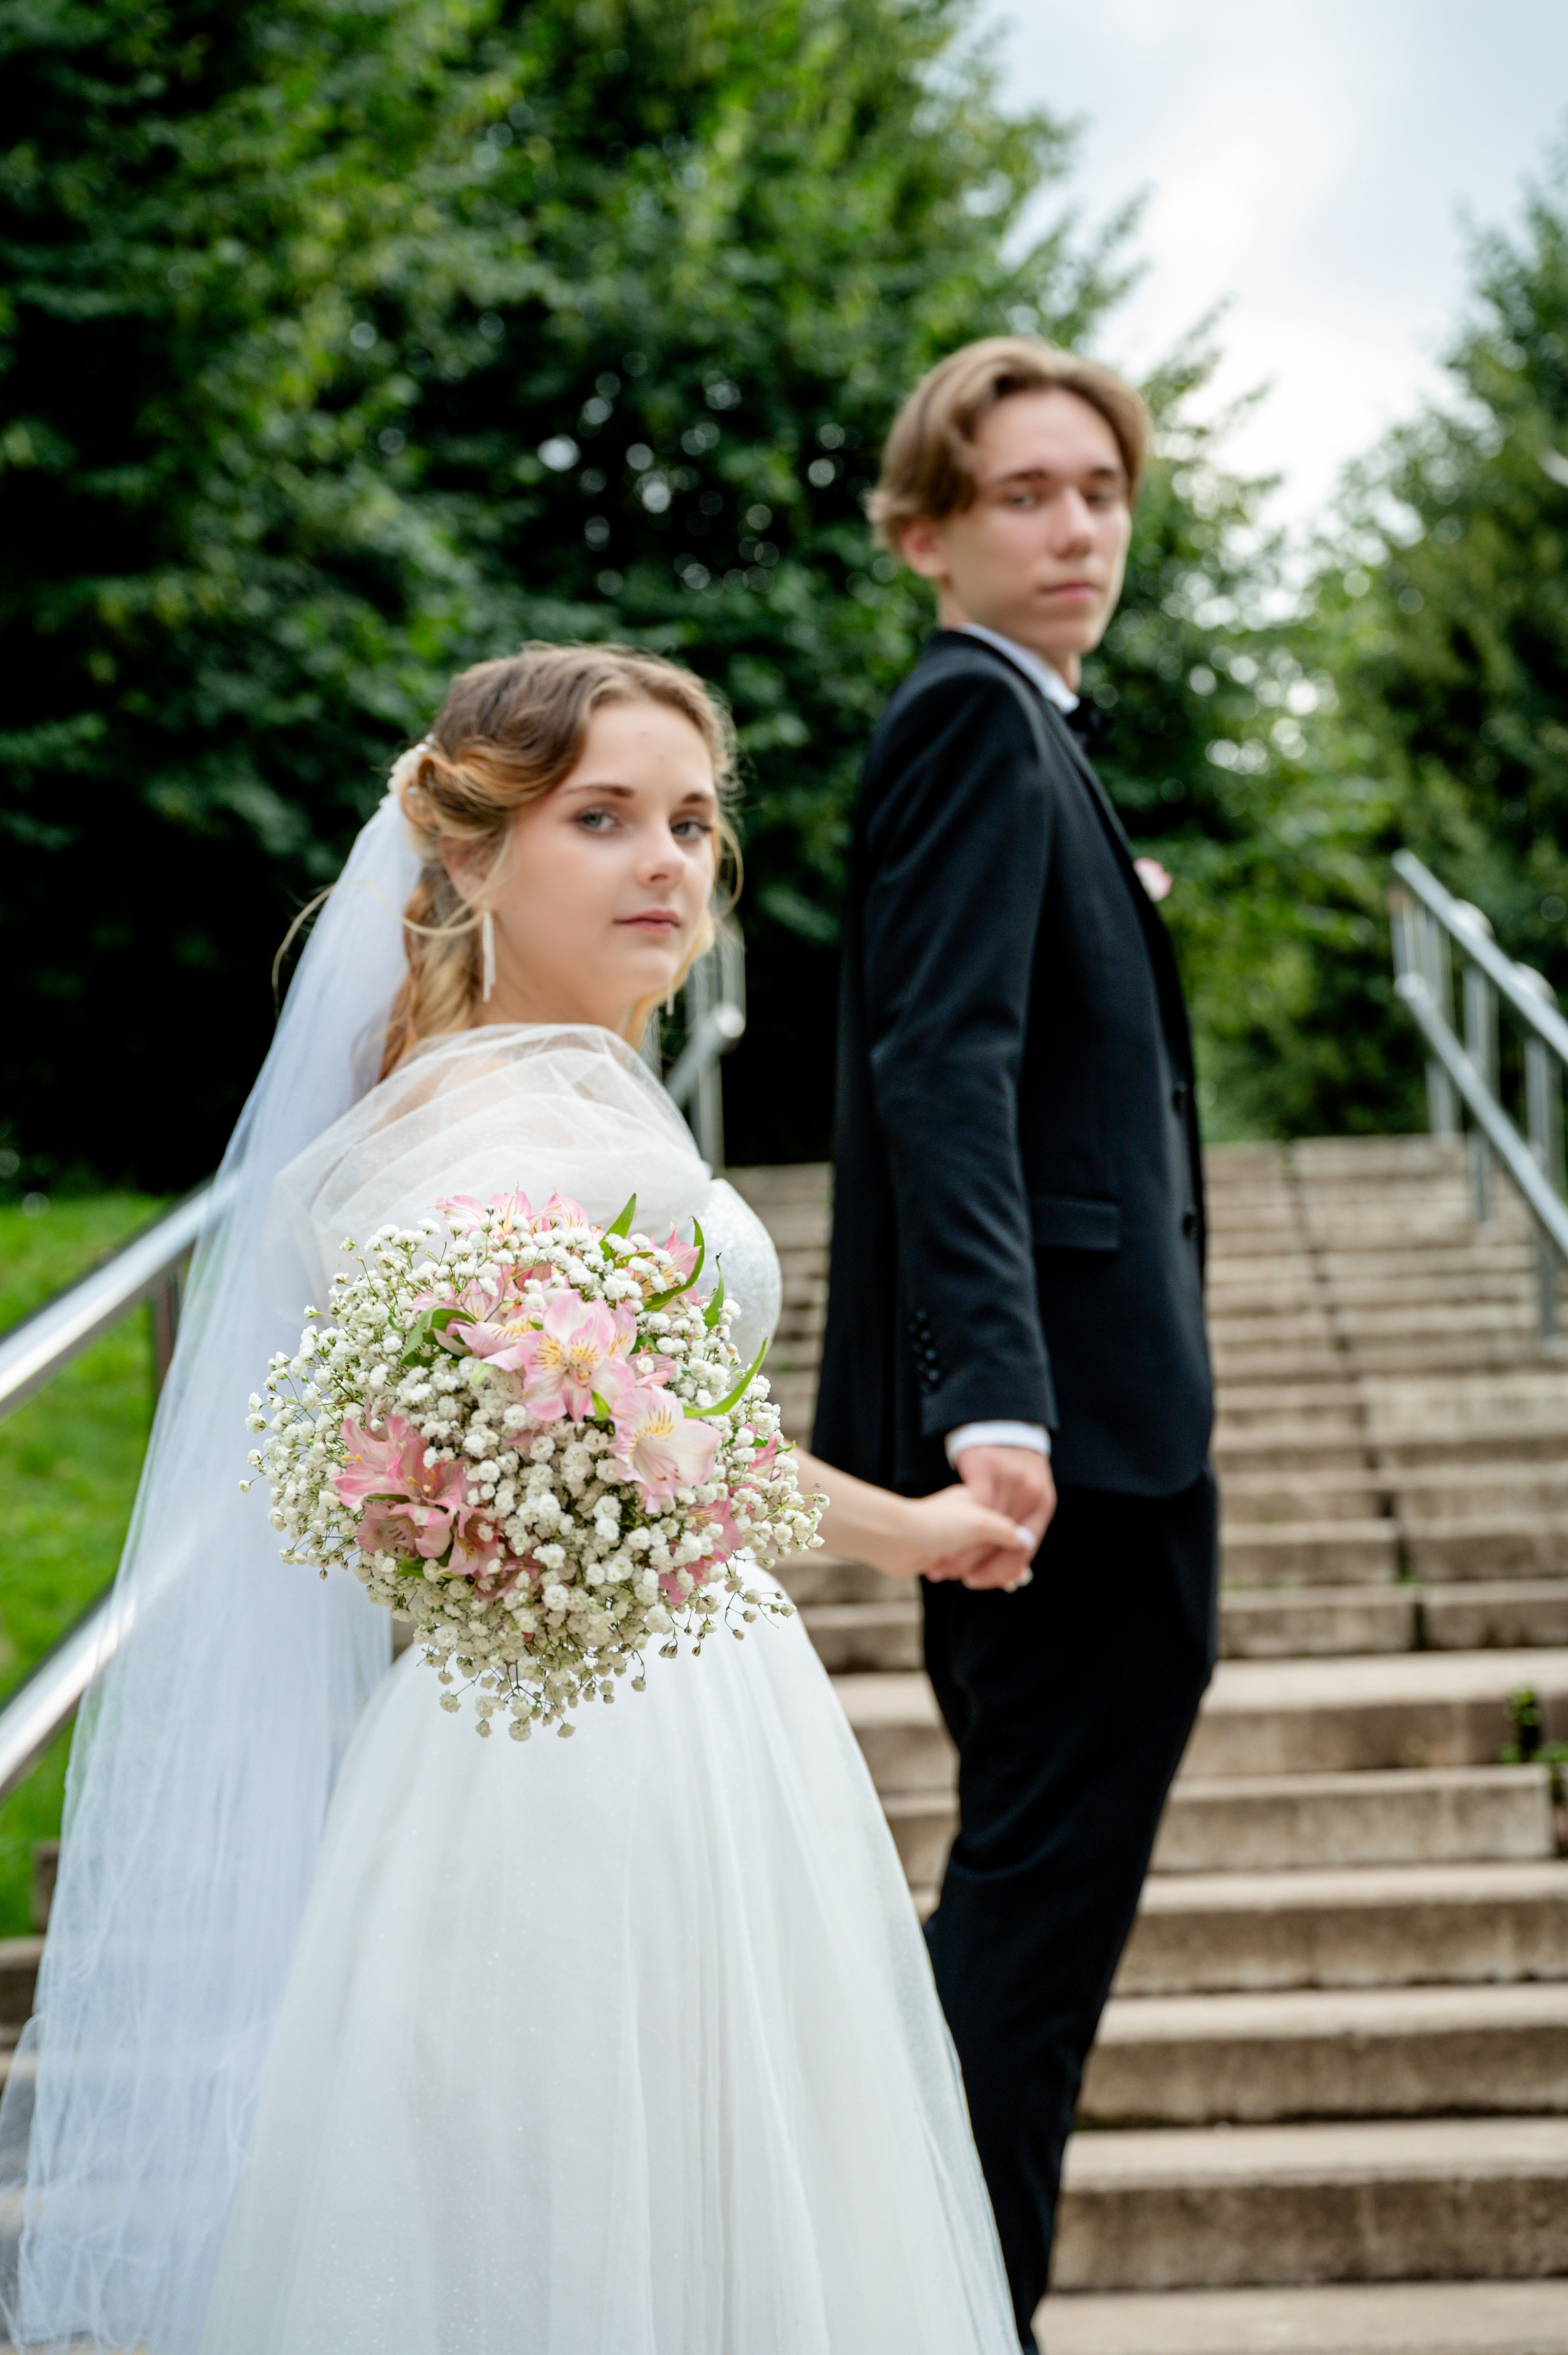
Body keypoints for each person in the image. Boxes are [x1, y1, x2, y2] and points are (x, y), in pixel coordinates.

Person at [1, 643, 1036, 2355]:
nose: (667, 863)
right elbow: (624, 1467)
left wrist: (918, 1527)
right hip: (583, 1755)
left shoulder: (566, 1090)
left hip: (698, 1716)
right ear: (468, 854)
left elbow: (670, 1452)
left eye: (694, 824)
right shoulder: (478, 1133)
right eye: (604, 817)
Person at [813, 339, 1217, 2349]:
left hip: (1100, 1416)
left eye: (1100, 490)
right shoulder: (974, 720)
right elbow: (942, 1063)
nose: (1076, 528)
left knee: (1034, 1917)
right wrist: (990, 1398)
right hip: (1054, 1444)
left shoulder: (1038, 726)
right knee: (1032, 1932)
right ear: (926, 535)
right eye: (1025, 496)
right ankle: (959, 2319)